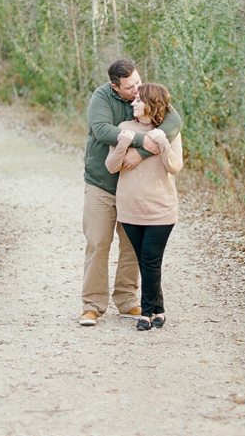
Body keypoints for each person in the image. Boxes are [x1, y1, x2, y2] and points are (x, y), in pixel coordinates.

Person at [79, 60, 182, 326]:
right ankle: (92, 305)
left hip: (135, 191)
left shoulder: (147, 93)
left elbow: (174, 121)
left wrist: (142, 152)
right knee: (98, 243)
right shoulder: (102, 97)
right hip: (102, 183)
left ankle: (126, 300)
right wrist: (140, 140)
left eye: (138, 81)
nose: (136, 89)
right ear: (116, 87)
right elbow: (102, 130)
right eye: (130, 87)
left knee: (132, 248)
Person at [105, 83, 183, 331]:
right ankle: (159, 310)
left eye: (138, 100)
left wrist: (164, 144)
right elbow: (111, 166)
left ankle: (146, 313)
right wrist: (121, 144)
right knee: (145, 261)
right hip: (129, 209)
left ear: (151, 104)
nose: (132, 104)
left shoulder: (168, 132)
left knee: (150, 260)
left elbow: (174, 167)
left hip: (160, 209)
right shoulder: (125, 129)